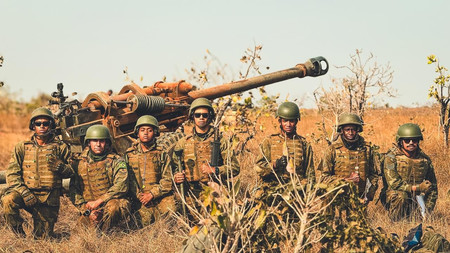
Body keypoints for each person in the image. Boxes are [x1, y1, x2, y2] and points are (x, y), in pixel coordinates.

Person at [1, 107, 73, 239]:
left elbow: (73, 172)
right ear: (32, 126)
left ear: (51, 125)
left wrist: (61, 167)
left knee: (42, 238)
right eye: (38, 123)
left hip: (48, 199)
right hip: (26, 193)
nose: (42, 126)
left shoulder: (61, 148)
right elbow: (12, 173)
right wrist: (24, 192)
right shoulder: (22, 147)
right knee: (8, 200)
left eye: (45, 123)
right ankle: (19, 235)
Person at [172, 98, 239, 218]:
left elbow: (234, 168)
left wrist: (216, 170)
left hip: (214, 188)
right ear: (192, 117)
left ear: (210, 117)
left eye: (205, 115)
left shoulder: (220, 141)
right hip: (191, 192)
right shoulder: (182, 143)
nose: (201, 117)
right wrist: (176, 176)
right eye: (198, 115)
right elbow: (172, 168)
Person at [69, 125, 131, 232]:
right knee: (77, 235)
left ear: (107, 143)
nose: (98, 144)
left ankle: (107, 233)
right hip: (90, 208)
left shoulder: (116, 161)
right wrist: (87, 210)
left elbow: (121, 186)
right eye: (94, 141)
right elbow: (74, 190)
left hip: (110, 203)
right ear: (88, 142)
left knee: (114, 207)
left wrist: (99, 201)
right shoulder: (79, 163)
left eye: (101, 141)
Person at [125, 115, 175, 227]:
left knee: (171, 211)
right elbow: (127, 180)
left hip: (159, 197)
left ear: (155, 132)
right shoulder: (129, 154)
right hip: (139, 198)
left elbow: (167, 180)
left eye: (150, 130)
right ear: (137, 133)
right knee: (139, 224)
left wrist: (152, 194)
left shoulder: (162, 153)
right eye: (142, 130)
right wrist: (140, 196)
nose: (146, 133)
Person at [381, 123, 438, 221]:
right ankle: (396, 222)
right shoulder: (391, 157)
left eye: (414, 140)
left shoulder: (424, 159)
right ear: (400, 142)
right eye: (407, 140)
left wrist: (428, 209)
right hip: (396, 196)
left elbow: (433, 187)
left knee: (420, 220)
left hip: (417, 197)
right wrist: (417, 188)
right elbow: (394, 183)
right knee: (401, 196)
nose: (411, 143)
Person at [319, 113, 378, 204]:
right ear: (341, 130)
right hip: (337, 196)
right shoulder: (332, 149)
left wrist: (369, 194)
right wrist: (345, 180)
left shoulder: (366, 148)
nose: (350, 133)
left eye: (353, 129)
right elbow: (324, 178)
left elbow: (374, 174)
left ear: (357, 130)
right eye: (347, 130)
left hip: (360, 197)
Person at [255, 101, 315, 188]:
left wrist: (310, 191)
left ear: (296, 121)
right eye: (285, 121)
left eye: (291, 121)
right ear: (280, 121)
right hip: (273, 187)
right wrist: (275, 165)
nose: (288, 124)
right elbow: (258, 168)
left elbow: (310, 172)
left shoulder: (304, 144)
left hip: (297, 188)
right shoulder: (269, 141)